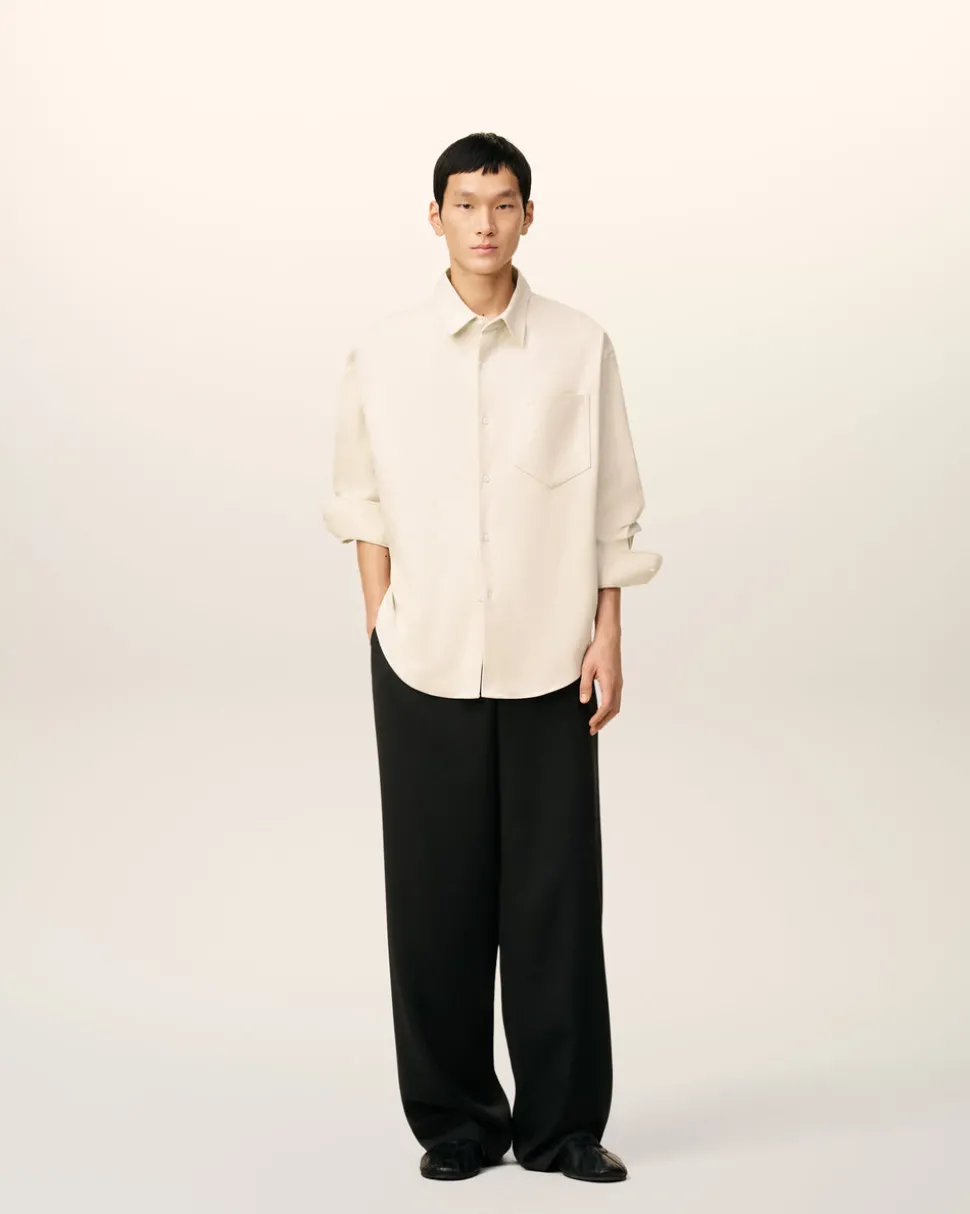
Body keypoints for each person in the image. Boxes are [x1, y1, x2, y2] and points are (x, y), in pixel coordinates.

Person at [322, 131, 662, 1183]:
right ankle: (457, 1121)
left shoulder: (577, 343)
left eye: (502, 203)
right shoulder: (383, 351)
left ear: (527, 216)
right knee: (435, 899)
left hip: (552, 655)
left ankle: (562, 1127)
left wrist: (608, 631)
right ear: (435, 217)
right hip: (420, 654)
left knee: (557, 898)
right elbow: (361, 498)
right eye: (465, 204)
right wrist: (381, 621)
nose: (484, 222)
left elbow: (612, 503)